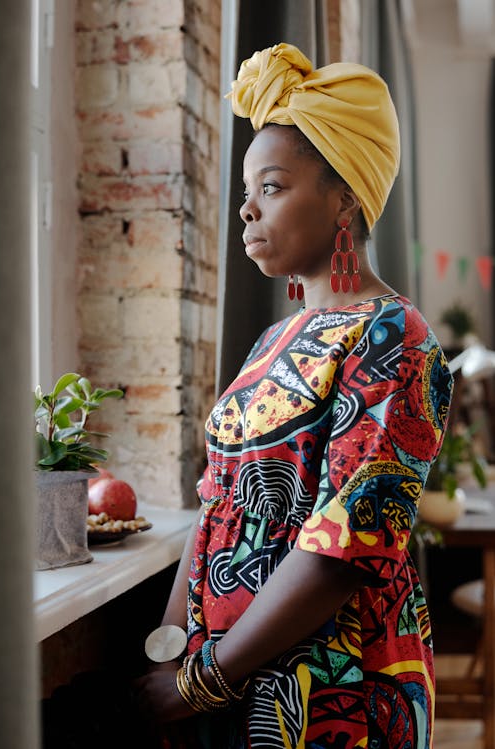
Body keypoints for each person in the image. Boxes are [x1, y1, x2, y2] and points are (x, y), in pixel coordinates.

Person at [132, 43, 453, 748]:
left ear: (343, 197)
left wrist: (201, 677)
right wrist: (174, 646)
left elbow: (340, 552)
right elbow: (215, 501)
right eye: (247, 190)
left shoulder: (396, 337)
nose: (247, 208)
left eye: (271, 187)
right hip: (228, 680)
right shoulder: (270, 343)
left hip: (332, 693)